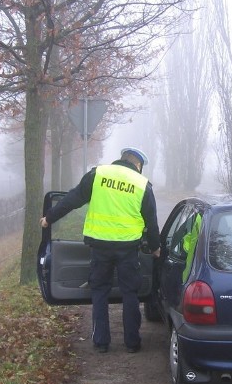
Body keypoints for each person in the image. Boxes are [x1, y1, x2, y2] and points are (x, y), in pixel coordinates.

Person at [39, 148, 161, 354]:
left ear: (121, 159)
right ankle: (132, 343)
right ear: (138, 165)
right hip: (128, 247)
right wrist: (156, 247)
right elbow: (152, 222)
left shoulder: (98, 174)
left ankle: (101, 342)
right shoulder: (142, 185)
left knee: (100, 291)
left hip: (100, 247)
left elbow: (73, 199)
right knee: (130, 293)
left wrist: (49, 217)